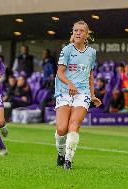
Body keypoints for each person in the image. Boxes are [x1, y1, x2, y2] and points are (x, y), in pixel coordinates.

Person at [54, 20, 101, 170]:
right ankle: (60, 154)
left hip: (83, 93)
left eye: (81, 31)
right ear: (72, 33)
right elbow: (59, 73)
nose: (78, 33)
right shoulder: (67, 50)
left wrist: (92, 95)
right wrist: (69, 84)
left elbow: (90, 75)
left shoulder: (92, 53)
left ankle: (68, 160)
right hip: (64, 91)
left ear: (87, 35)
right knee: (61, 129)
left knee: (74, 124)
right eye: (75, 30)